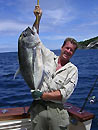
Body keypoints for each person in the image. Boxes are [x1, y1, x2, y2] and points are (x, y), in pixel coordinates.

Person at [30, 5, 78, 130]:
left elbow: (64, 94)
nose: (68, 51)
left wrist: (42, 95)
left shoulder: (73, 70)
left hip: (57, 111)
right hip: (38, 109)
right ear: (62, 47)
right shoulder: (49, 56)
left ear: (73, 53)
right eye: (67, 48)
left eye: (71, 50)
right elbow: (35, 40)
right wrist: (38, 19)